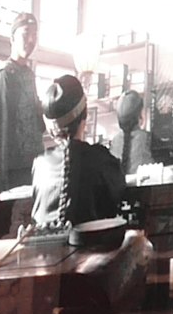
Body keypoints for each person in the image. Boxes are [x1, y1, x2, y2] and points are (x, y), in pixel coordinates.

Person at [38, 75, 126, 229]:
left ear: (51, 131)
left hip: (44, 252)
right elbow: (119, 194)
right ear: (85, 115)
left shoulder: (40, 164)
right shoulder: (101, 159)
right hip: (92, 249)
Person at [0, 12, 48, 197]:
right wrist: (4, 175)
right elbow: (3, 130)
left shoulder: (29, 74)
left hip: (35, 161)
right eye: (25, 34)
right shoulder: (6, 75)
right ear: (12, 38)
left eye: (35, 35)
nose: (30, 40)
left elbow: (38, 122)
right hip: (15, 167)